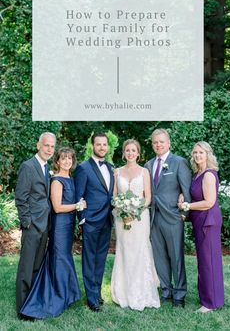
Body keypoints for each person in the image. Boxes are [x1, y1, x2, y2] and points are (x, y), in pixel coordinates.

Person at [20, 147, 84, 319]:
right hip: (60, 225)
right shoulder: (56, 180)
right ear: (57, 161)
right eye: (63, 158)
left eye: (70, 158)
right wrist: (78, 205)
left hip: (69, 224)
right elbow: (57, 207)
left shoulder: (70, 178)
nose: (67, 161)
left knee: (64, 257)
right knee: (59, 257)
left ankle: (65, 294)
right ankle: (57, 295)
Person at [111, 139, 160, 311]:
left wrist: (135, 212)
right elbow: (114, 195)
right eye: (127, 150)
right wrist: (122, 211)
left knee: (140, 250)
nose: (130, 153)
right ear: (123, 153)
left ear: (138, 153)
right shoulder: (116, 172)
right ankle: (123, 291)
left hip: (140, 218)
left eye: (133, 150)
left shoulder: (144, 171)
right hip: (121, 218)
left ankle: (142, 291)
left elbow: (147, 197)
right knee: (124, 251)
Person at [145, 128, 191, 308]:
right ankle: (166, 290)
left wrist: (184, 214)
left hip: (173, 217)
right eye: (155, 142)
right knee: (160, 257)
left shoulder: (179, 162)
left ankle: (179, 294)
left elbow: (186, 189)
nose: (158, 145)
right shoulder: (148, 165)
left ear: (168, 143)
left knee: (176, 257)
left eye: (161, 142)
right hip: (154, 217)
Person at [179, 141, 224, 313]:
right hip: (200, 221)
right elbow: (194, 193)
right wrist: (184, 197)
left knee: (208, 261)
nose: (197, 155)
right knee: (205, 261)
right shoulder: (198, 173)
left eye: (201, 152)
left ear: (208, 154)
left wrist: (188, 206)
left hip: (208, 222)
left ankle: (210, 303)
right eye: (195, 152)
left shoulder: (208, 175)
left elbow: (209, 202)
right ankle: (211, 298)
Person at [15, 132, 56, 317]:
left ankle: (33, 302)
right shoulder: (28, 166)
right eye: (46, 145)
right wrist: (27, 223)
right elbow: (21, 198)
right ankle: (23, 308)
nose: (49, 149)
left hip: (44, 225)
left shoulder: (47, 168)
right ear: (38, 145)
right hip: (32, 226)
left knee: (37, 266)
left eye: (52, 146)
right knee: (26, 267)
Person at [74, 133, 114, 312]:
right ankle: (91, 298)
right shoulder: (83, 168)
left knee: (101, 258)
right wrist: (82, 219)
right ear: (92, 146)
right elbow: (78, 195)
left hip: (107, 219)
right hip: (90, 221)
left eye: (104, 144)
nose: (102, 147)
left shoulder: (111, 167)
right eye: (98, 144)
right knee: (89, 259)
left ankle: (97, 293)